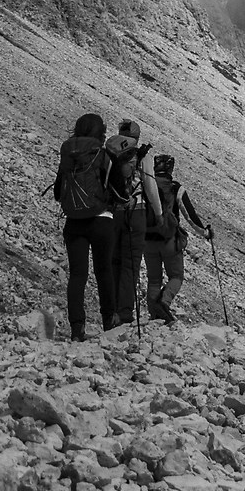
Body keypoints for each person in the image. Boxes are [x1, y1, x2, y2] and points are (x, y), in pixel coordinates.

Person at [52, 113, 120, 340]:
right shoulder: (104, 155)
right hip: (102, 219)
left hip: (74, 223)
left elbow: (57, 192)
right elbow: (119, 190)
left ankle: (77, 327)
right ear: (101, 132)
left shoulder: (69, 156)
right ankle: (109, 322)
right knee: (104, 271)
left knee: (78, 275)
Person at [141, 154, 210, 324]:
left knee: (154, 279)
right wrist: (206, 233)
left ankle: (154, 315)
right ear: (171, 169)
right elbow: (190, 215)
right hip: (169, 240)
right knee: (176, 276)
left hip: (147, 240)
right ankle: (164, 303)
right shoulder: (175, 188)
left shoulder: (144, 186)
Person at [107, 119, 154, 324]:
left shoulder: (111, 151)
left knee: (113, 261)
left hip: (113, 212)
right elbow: (150, 187)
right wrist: (159, 215)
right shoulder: (142, 156)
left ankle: (111, 310)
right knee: (130, 264)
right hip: (137, 211)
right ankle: (125, 312)